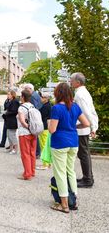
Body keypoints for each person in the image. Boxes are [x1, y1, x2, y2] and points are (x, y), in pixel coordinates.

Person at [48, 83, 90, 213]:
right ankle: (74, 201)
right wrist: (72, 128)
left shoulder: (56, 108)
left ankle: (64, 205)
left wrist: (49, 123)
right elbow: (86, 123)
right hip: (73, 142)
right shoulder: (75, 106)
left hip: (60, 143)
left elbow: (52, 130)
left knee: (60, 173)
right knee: (70, 171)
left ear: (57, 94)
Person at [70, 72, 98, 188]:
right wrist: (93, 126)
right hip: (84, 127)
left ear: (78, 82)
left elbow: (86, 112)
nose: (70, 81)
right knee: (84, 154)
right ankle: (88, 177)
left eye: (71, 80)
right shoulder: (82, 92)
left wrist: (93, 127)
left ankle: (88, 179)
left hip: (82, 128)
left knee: (84, 154)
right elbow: (91, 111)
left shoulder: (80, 95)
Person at [17, 90, 37, 180]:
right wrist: (32, 129)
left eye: (21, 96)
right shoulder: (32, 106)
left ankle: (27, 174)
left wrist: (28, 127)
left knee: (25, 153)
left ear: (23, 97)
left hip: (24, 133)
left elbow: (22, 121)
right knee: (32, 153)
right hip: (33, 132)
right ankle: (32, 171)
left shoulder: (21, 107)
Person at [24, 83, 42, 158]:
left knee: (35, 135)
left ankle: (37, 152)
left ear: (30, 89)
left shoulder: (33, 96)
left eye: (26, 89)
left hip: (34, 118)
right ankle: (36, 152)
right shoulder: (36, 94)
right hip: (37, 116)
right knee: (35, 135)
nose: (25, 91)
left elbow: (34, 108)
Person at [37, 92, 52, 170]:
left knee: (43, 146)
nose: (41, 98)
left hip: (45, 128)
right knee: (44, 145)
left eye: (42, 97)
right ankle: (47, 163)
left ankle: (45, 164)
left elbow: (42, 116)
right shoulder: (47, 105)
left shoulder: (46, 106)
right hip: (45, 127)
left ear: (46, 98)